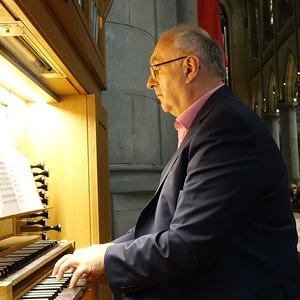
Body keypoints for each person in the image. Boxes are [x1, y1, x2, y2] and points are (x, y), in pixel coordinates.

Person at [53, 25, 300, 300]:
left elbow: (187, 243)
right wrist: (106, 250)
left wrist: (109, 258)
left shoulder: (226, 127)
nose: (149, 82)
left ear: (189, 67)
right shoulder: (210, 124)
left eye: (155, 67)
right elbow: (165, 224)